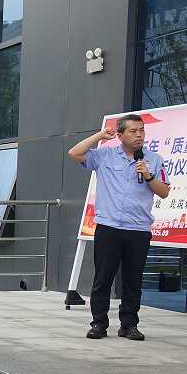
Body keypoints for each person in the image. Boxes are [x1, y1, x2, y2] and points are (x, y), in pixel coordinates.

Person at [69, 114, 170, 341]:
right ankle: (99, 323)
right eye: (133, 131)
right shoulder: (104, 156)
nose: (139, 135)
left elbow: (164, 192)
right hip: (109, 227)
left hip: (138, 229)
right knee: (103, 278)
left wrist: (149, 176)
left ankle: (129, 325)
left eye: (141, 131)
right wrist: (99, 136)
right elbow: (74, 153)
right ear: (120, 134)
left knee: (133, 280)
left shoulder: (154, 160)